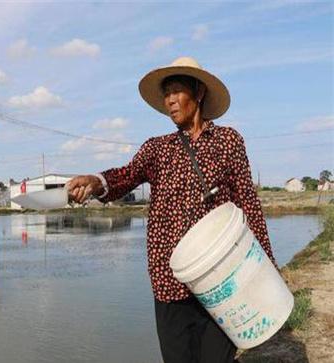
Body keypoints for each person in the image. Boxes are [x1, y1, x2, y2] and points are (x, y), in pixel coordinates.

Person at [66, 57, 277, 363]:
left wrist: (265, 269)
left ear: (199, 93)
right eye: (166, 94)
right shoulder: (157, 149)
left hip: (221, 279)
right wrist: (94, 181)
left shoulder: (228, 142)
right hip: (170, 280)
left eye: (177, 91)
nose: (170, 101)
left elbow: (248, 204)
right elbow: (124, 177)